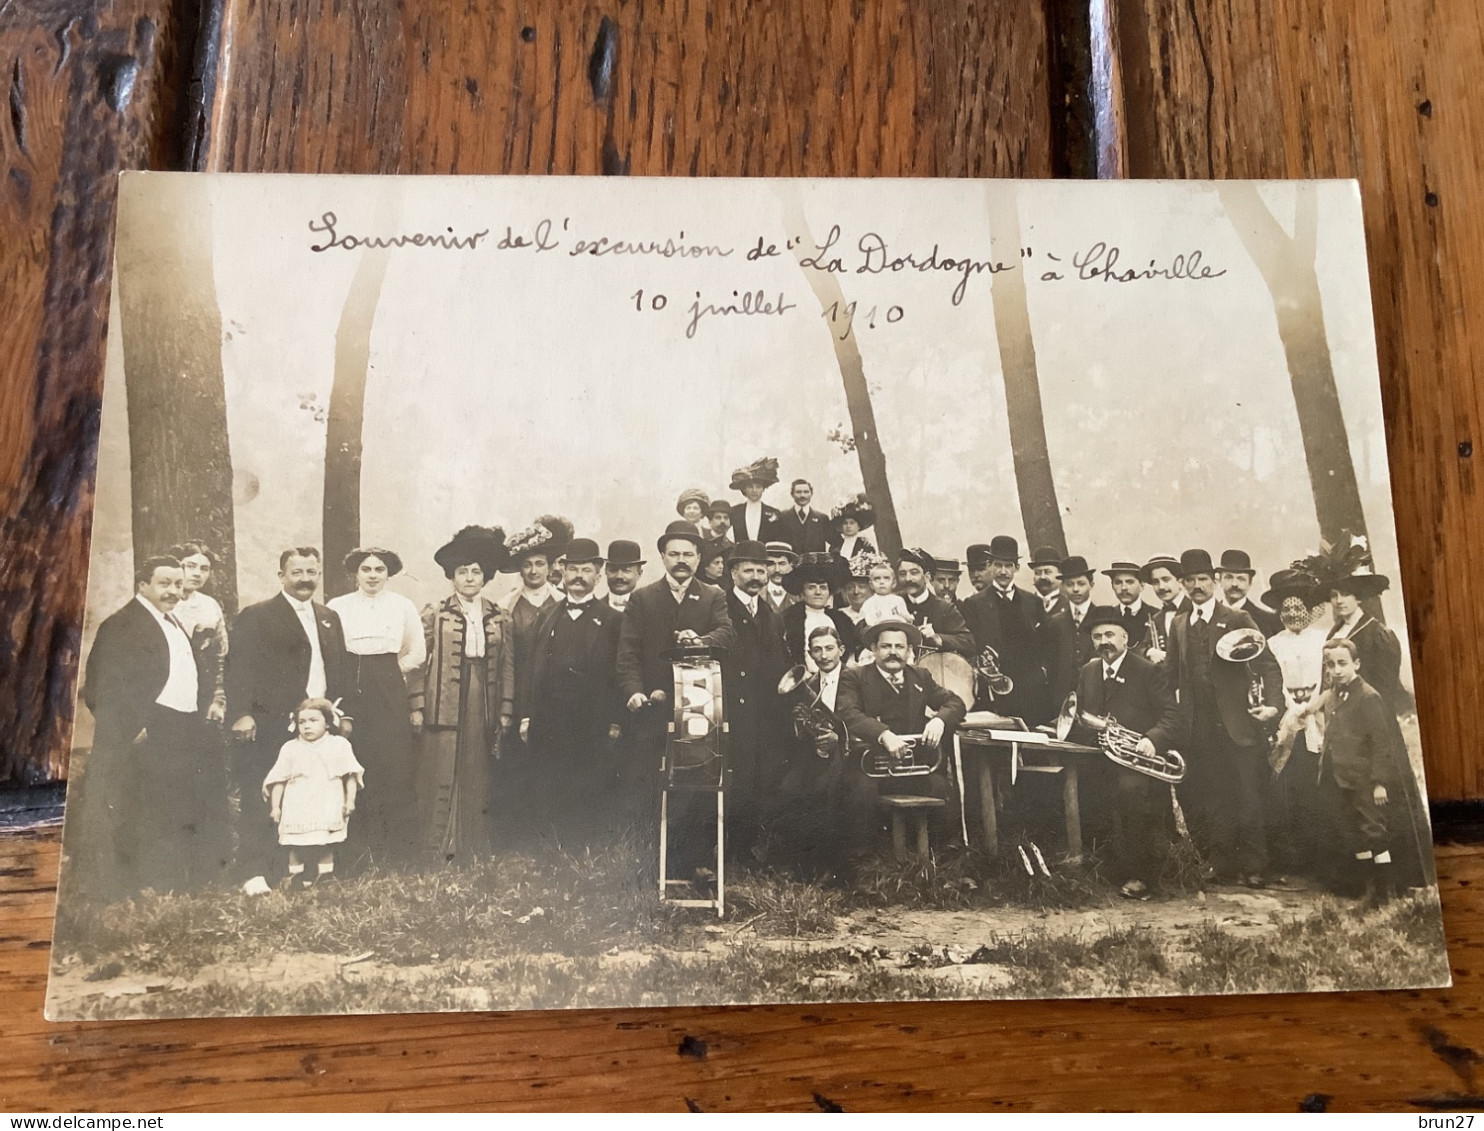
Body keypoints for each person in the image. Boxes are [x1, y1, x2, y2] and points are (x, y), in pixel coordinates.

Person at [79, 554, 231, 898]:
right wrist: (132, 727)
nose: (173, 590)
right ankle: (144, 882)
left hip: (183, 724)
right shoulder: (122, 624)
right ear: (143, 584)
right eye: (164, 583)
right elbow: (103, 686)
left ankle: (179, 877)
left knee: (178, 801)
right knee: (147, 807)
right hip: (148, 728)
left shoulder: (172, 621)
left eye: (178, 584)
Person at [226, 547, 351, 894]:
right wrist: (242, 713)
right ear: (281, 576)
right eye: (297, 572)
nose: (305, 579)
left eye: (311, 572)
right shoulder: (258, 615)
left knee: (312, 793)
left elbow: (335, 668)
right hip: (270, 721)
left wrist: (338, 712)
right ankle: (255, 871)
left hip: (318, 725)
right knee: (265, 791)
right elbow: (238, 669)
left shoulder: (328, 617)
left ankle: (307, 868)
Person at [1165, 548, 1282, 886]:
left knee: (1246, 793)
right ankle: (1222, 863)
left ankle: (1255, 866)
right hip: (1198, 726)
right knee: (1212, 795)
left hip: (1238, 724)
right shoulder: (1179, 625)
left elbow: (1268, 666)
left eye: (1203, 579)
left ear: (1214, 581)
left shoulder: (1236, 619)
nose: (1197, 585)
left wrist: (1273, 706)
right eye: (1190, 580)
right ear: (1183, 584)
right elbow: (1171, 676)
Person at [615, 521, 736, 815]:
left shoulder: (713, 595)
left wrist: (700, 639)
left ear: (698, 558)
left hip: (698, 705)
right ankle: (649, 851)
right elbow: (627, 652)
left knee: (697, 778)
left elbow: (727, 633)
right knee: (647, 777)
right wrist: (633, 691)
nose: (681, 560)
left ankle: (693, 854)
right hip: (651, 706)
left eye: (688, 554)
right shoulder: (642, 598)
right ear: (663, 557)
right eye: (674, 554)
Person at [413, 526, 515, 862]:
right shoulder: (435, 613)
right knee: (442, 765)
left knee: (477, 766)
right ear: (452, 577)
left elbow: (506, 666)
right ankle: (439, 846)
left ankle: (473, 845)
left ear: (485, 577)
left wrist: (505, 708)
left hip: (481, 698)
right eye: (462, 572)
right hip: (443, 698)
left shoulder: (499, 616)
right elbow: (417, 661)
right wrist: (416, 703)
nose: (469, 578)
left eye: (476, 572)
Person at [1067, 610, 1180, 899]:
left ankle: (1145, 876)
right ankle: (1108, 869)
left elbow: (1170, 714)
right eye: (1097, 637)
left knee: (1132, 795)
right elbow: (1079, 713)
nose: (1104, 642)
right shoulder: (1088, 671)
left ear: (1125, 638)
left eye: (1109, 635)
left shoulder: (1147, 670)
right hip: (1100, 757)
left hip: (1137, 762)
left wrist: (1152, 739)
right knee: (1084, 791)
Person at [836, 619, 967, 859]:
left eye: (899, 647)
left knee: (941, 788)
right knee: (861, 796)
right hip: (870, 768)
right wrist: (883, 734)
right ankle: (863, 863)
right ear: (873, 649)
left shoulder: (920, 676)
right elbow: (848, 712)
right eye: (886, 646)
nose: (893, 652)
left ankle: (945, 861)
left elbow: (955, 703)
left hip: (911, 768)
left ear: (909, 651)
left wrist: (939, 720)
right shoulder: (854, 677)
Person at [327, 547, 425, 867]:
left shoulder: (402, 606)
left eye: (379, 569)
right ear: (355, 573)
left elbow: (417, 651)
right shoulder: (337, 607)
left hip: (388, 684)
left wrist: (392, 673)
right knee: (356, 755)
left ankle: (398, 849)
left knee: (392, 759)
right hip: (350, 682)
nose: (372, 575)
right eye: (366, 569)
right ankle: (355, 847)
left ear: (388, 574)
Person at [521, 538, 624, 840]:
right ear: (563, 572)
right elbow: (531, 669)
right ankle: (551, 844)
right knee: (551, 779)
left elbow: (620, 674)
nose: (579, 576)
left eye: (587, 570)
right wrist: (527, 716)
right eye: (573, 569)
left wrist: (615, 720)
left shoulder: (613, 620)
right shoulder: (547, 616)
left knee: (588, 780)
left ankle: (585, 844)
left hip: (592, 718)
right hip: (551, 715)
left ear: (598, 574)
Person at [1315, 638, 1411, 902]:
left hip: (1365, 779)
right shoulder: (1335, 693)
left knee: (1374, 832)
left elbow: (1382, 743)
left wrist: (1379, 782)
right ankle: (1366, 886)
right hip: (1341, 776)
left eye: (1342, 664)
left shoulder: (1368, 697)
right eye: (1331, 665)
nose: (1336, 670)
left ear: (1356, 664)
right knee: (1353, 832)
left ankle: (1383, 893)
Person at [720, 540, 791, 848]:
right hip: (732, 709)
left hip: (766, 711)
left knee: (763, 777)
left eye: (761, 570)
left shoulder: (772, 615)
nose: (755, 577)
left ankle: (752, 847)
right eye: (748, 569)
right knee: (738, 778)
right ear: (734, 572)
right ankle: (729, 849)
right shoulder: (721, 608)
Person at [1261, 568, 1330, 876]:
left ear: (1309, 609)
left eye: (1298, 606)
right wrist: (1291, 709)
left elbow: (1328, 678)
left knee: (1317, 785)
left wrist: (1312, 706)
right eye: (1286, 608)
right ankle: (1292, 859)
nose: (1292, 613)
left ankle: (1321, 857)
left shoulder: (1324, 639)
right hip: (1288, 720)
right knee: (1288, 787)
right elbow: (1273, 680)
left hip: (1319, 716)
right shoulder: (1274, 643)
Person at [262, 698, 364, 889]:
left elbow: (350, 775)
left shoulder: (338, 745)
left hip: (327, 801)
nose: (307, 726)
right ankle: (295, 876)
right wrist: (276, 807)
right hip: (298, 803)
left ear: (327, 722)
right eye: (302, 722)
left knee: (325, 841)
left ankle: (325, 876)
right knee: (295, 842)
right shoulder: (290, 748)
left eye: (313, 720)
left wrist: (350, 801)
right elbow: (279, 780)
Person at [775, 624, 852, 877]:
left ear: (841, 650)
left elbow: (863, 721)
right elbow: (801, 735)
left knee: (827, 791)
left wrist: (837, 738)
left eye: (829, 648)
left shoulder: (856, 678)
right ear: (809, 654)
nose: (824, 655)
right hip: (816, 756)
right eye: (817, 650)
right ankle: (799, 862)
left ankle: (830, 866)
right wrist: (800, 723)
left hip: (849, 757)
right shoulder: (807, 683)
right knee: (788, 788)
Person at [959, 536, 1046, 723]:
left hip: (1030, 689)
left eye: (1008, 566)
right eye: (998, 565)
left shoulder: (1033, 602)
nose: (1003, 572)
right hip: (994, 689)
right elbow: (970, 645)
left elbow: (1043, 643)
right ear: (990, 565)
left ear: (1016, 568)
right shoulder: (974, 604)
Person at [500, 515, 574, 733]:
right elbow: (507, 660)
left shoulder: (563, 602)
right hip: (519, 690)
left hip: (555, 691)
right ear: (520, 569)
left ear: (550, 567)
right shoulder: (507, 606)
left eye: (539, 564)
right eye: (527, 565)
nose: (534, 571)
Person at [167, 540, 228, 724]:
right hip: (167, 693)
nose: (197, 573)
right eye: (190, 566)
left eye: (204, 569)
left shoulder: (209, 605)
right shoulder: (162, 602)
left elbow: (220, 655)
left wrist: (218, 700)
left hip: (203, 691)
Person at [780, 552, 859, 668]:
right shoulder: (787, 619)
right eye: (811, 587)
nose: (818, 592)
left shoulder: (842, 620)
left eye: (823, 588)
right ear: (802, 592)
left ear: (829, 592)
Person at [896, 548, 974, 655]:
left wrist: (938, 638)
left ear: (927, 577)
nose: (908, 578)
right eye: (902, 574)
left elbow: (968, 642)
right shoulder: (892, 603)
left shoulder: (944, 608)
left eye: (914, 573)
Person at [1102, 559, 1162, 656]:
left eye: (1129, 582)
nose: (1124, 588)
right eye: (1118, 582)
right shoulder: (1106, 617)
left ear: (1142, 585)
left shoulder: (1156, 615)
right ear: (1112, 586)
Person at [1219, 550, 1282, 637]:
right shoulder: (1207, 616)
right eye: (1229, 577)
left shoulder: (1269, 620)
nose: (1234, 584)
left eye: (1241, 579)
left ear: (1250, 582)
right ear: (1220, 580)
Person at [1142, 553, 1189, 663]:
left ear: (1180, 581)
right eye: (1156, 582)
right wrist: (1149, 651)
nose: (1161, 587)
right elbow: (1141, 647)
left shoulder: (1195, 609)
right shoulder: (1156, 618)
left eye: (1166, 579)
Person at [727, 457, 784, 543]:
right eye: (750, 487)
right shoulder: (734, 512)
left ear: (763, 489)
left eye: (758, 487)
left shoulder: (774, 513)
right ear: (744, 489)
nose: (754, 490)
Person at [776, 478, 832, 554]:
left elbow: (836, 542)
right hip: (790, 565)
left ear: (811, 494)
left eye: (806, 492)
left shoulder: (822, 518)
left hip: (815, 565)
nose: (802, 495)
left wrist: (828, 559)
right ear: (792, 494)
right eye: (798, 492)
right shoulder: (782, 517)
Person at [858, 556, 910, 627]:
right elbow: (870, 624)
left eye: (886, 578)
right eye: (877, 579)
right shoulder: (869, 603)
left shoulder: (898, 600)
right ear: (871, 584)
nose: (881, 582)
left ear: (894, 583)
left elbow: (906, 619)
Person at [829, 494, 876, 564]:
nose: (848, 526)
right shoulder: (834, 547)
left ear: (859, 526)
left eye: (852, 523)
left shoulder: (865, 545)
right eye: (845, 523)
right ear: (841, 527)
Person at [603, 539, 645, 613]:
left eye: (626, 571)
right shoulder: (592, 611)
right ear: (606, 571)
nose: (619, 576)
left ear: (639, 573)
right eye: (613, 570)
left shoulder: (649, 611)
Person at [763, 541, 801, 615]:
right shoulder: (756, 594)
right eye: (771, 564)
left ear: (791, 566)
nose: (777, 570)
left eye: (782, 564)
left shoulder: (800, 596)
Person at [1029, 546, 1066, 620]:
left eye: (1047, 572)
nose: (1042, 577)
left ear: (1059, 576)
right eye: (1038, 573)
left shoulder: (1070, 606)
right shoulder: (1025, 604)